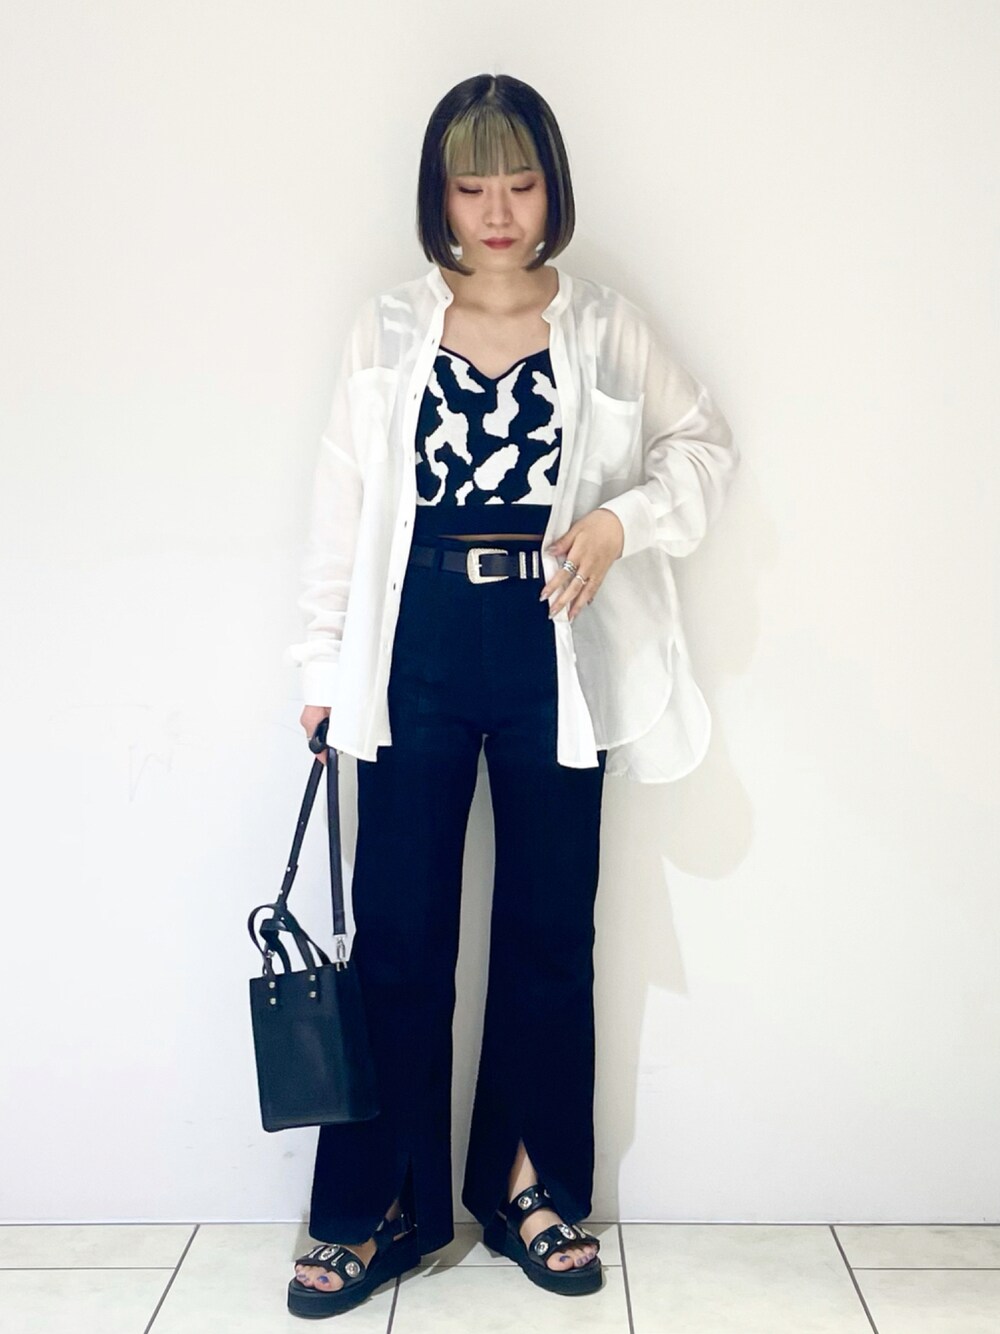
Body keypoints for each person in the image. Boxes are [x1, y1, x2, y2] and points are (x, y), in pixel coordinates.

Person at [283, 73, 738, 1319]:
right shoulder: (387, 329)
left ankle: (530, 1186)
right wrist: (320, 669)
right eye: (472, 185)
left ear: (553, 190)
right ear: (439, 196)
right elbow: (341, 508)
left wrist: (620, 520)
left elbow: (705, 448)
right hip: (414, 644)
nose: (497, 211)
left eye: (520, 183)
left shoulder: (606, 325)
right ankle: (375, 1207)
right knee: (399, 934)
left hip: (555, 643)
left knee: (547, 928)